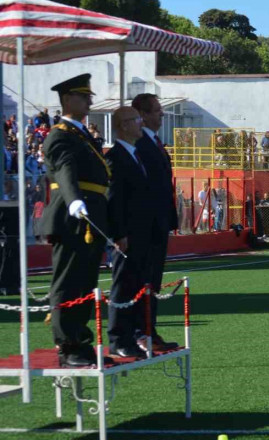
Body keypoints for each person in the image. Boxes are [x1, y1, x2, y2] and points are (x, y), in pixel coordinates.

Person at [42, 74, 109, 367]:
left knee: (85, 280)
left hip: (90, 215)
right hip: (72, 215)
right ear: (68, 99)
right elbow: (65, 170)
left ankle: (80, 339)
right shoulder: (60, 134)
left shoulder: (80, 134)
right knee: (68, 281)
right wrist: (74, 200)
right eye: (83, 96)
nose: (89, 101)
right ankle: (66, 344)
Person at [132, 93, 179, 351]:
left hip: (158, 222)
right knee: (144, 280)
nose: (162, 114)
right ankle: (140, 331)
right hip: (145, 224)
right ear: (143, 114)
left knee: (154, 280)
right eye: (157, 110)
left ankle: (150, 329)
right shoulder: (138, 143)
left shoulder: (154, 141)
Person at [105, 107, 150, 359]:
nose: (140, 122)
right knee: (122, 285)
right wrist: (119, 234)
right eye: (136, 119)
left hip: (140, 233)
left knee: (134, 284)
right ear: (123, 125)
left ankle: (131, 334)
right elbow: (115, 200)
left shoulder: (133, 154)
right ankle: (117, 338)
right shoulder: (116, 157)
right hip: (127, 236)